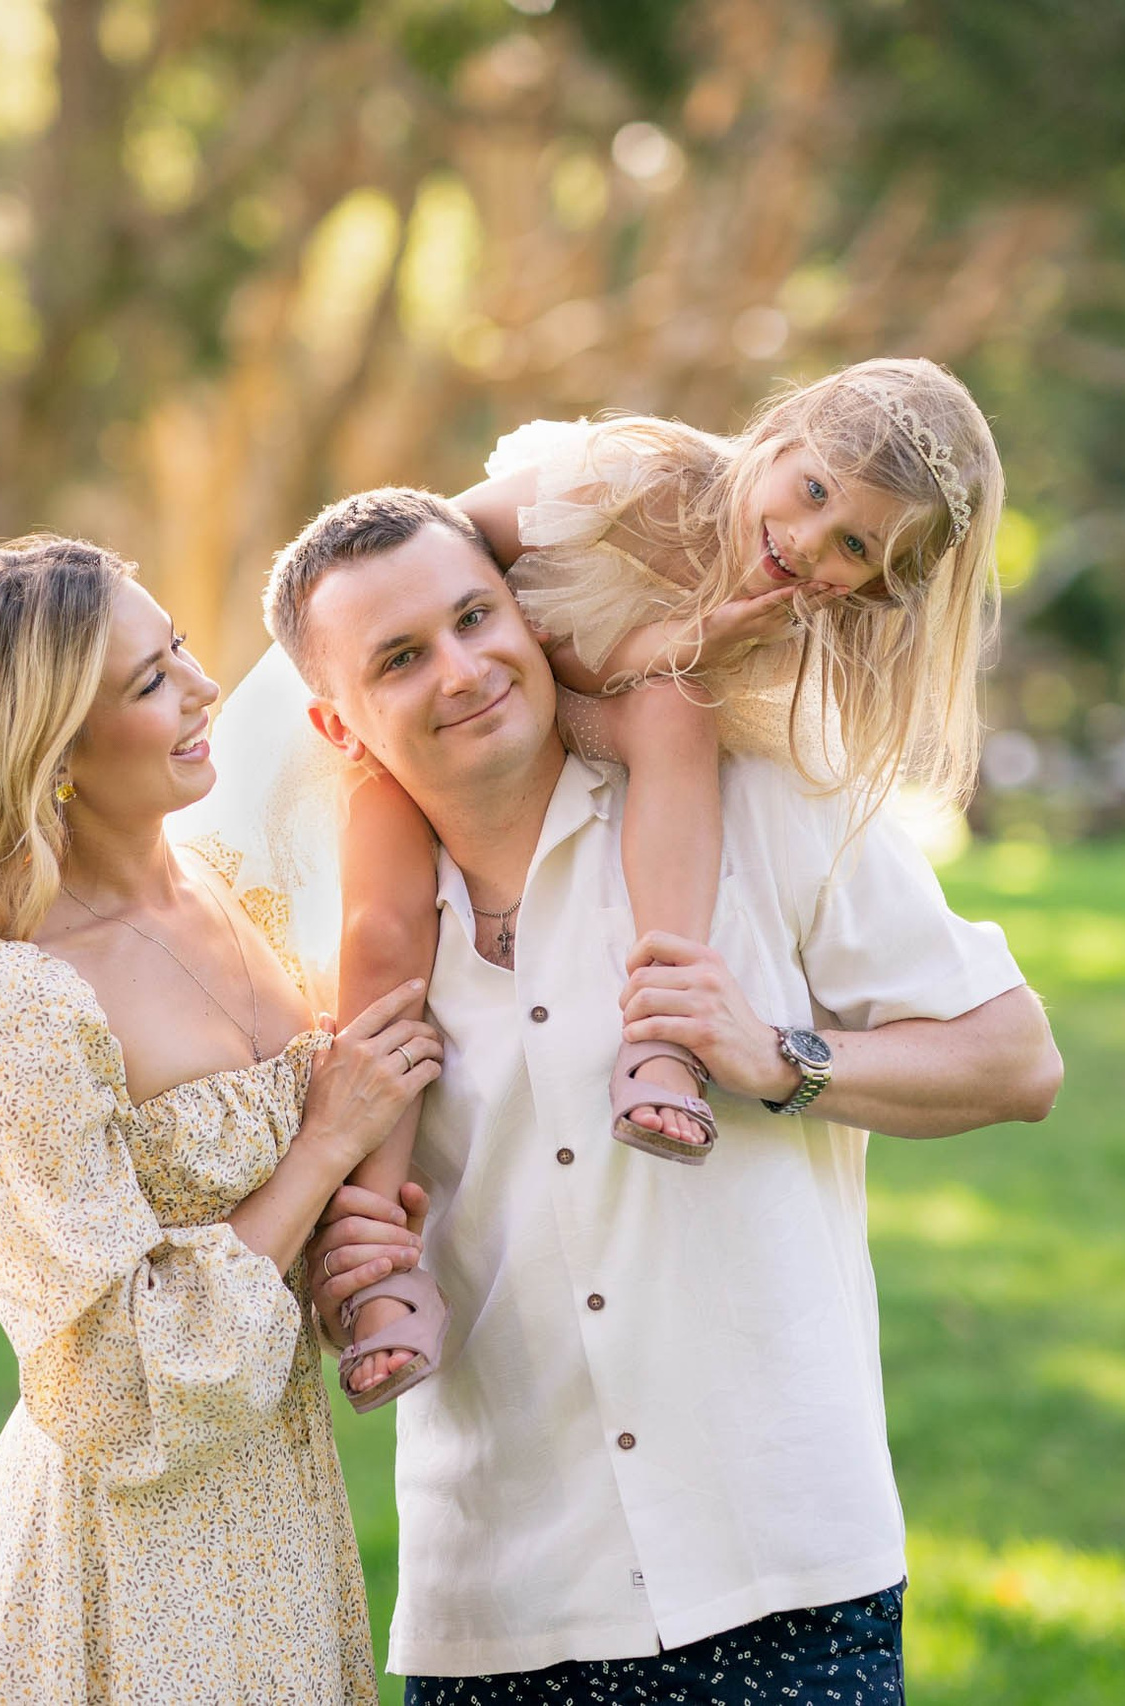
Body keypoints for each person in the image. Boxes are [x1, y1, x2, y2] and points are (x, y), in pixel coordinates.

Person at [249, 489, 1061, 1701]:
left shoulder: (760, 801)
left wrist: (782, 1057)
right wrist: (348, 1259)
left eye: (478, 616)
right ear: (338, 718)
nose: (465, 669)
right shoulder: (331, 942)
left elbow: (1016, 1056)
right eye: (402, 657)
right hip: (502, 1603)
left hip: (780, 1567)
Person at [0, 535, 440, 1704]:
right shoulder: (4, 1002)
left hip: (280, 1522)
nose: (203, 689)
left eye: (179, 646)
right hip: (127, 1570)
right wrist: (326, 1142)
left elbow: (447, 546)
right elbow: (111, 1385)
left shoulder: (232, 878)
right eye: (149, 683)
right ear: (53, 751)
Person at [329, 360, 1007, 1409]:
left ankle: (661, 1028)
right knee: (383, 940)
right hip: (462, 712)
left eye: (857, 550)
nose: (809, 546)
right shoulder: (638, 482)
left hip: (589, 715)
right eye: (815, 494)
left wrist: (692, 650)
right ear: (779, 439)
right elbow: (427, 573)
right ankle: (376, 1262)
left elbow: (650, 687)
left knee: (678, 711)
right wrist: (669, 641)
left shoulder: (791, 625)